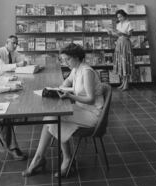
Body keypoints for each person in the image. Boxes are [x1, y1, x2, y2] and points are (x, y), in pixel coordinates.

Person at [22, 43, 104, 177]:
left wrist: (70, 96)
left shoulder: (86, 71)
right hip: (81, 109)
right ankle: (44, 158)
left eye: (68, 59)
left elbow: (90, 99)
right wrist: (57, 89)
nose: (65, 62)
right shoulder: (76, 69)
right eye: (63, 59)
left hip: (92, 114)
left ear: (77, 57)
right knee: (51, 118)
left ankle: (60, 158)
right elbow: (67, 82)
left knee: (52, 118)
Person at [107, 9, 135, 91]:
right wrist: (111, 33)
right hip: (119, 43)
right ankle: (123, 82)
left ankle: (126, 83)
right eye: (118, 17)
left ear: (124, 16)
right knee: (120, 63)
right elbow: (117, 35)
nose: (119, 18)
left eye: (120, 16)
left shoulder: (129, 23)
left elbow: (129, 35)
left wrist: (121, 33)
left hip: (126, 44)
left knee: (125, 62)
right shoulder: (118, 24)